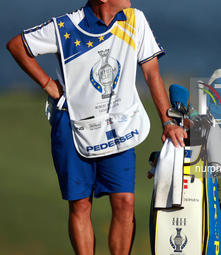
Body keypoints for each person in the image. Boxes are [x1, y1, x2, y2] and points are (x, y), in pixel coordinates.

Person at [6, 0, 187, 254]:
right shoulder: (66, 26)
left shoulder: (135, 19)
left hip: (118, 126)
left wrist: (167, 122)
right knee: (80, 205)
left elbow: (151, 73)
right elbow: (17, 46)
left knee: (125, 201)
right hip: (73, 125)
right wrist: (48, 84)